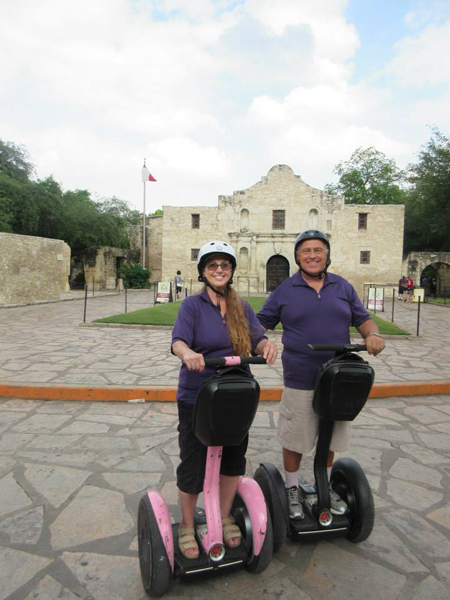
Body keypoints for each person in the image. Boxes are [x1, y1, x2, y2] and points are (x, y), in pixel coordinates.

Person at [256, 230, 385, 520]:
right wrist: (253, 341)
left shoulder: (342, 286)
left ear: (327, 255)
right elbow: (261, 322)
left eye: (318, 250)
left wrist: (373, 335)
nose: (312, 255)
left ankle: (323, 485)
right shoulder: (285, 289)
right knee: (296, 437)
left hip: (338, 378)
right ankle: (291, 489)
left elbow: (362, 318)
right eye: (306, 251)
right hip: (301, 376)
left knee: (330, 438)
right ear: (297, 257)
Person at [171, 240, 278, 559]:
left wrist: (265, 347)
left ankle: (226, 514)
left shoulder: (240, 306)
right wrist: (188, 352)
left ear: (231, 271)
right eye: (212, 266)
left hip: (234, 392)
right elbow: (178, 340)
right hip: (198, 394)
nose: (219, 270)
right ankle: (188, 525)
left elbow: (257, 337)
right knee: (193, 459)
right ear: (204, 272)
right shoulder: (192, 306)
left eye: (224, 265)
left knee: (233, 457)